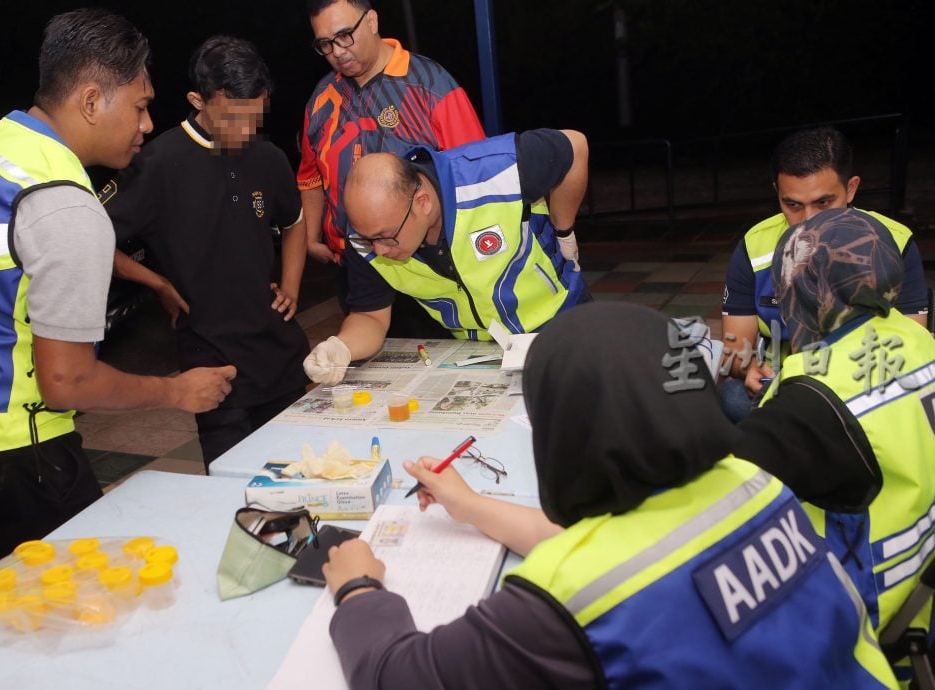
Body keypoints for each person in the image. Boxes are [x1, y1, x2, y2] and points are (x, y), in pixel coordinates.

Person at [320, 301, 897, 688]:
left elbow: (397, 675)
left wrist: (359, 589)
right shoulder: (751, 484)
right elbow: (629, 553)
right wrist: (468, 505)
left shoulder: (564, 603)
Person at [0, 8, 235, 563]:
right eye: (140, 105)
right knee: (84, 603)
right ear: (90, 100)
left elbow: (22, 247)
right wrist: (176, 391)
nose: (147, 124)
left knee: (25, 590)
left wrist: (150, 277)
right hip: (11, 451)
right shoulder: (65, 203)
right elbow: (68, 381)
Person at [733, 207, 934, 680]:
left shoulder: (814, 398)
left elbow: (721, 487)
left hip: (868, 620)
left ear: (801, 289)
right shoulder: (915, 337)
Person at [102, 36, 309, 470]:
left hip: (280, 357)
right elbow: (90, 239)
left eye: (255, 117)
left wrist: (290, 284)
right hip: (214, 369)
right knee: (236, 491)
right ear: (199, 99)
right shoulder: (156, 163)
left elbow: (294, 222)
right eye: (234, 118)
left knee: (302, 478)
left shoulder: (267, 157)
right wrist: (155, 282)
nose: (246, 131)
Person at [302, 129, 590, 385]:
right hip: (486, 353)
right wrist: (341, 347)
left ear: (422, 202)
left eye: (386, 235)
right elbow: (370, 316)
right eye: (368, 237)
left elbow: (575, 146)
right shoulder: (365, 237)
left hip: (563, 326)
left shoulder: (494, 170)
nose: (378, 250)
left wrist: (563, 229)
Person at [298, 0, 486, 338]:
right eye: (325, 44)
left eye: (344, 36)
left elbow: (474, 172)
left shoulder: (429, 84)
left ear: (371, 20)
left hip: (426, 266)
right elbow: (310, 175)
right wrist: (312, 237)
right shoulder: (322, 98)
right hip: (355, 267)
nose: (337, 51)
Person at [719, 126, 929, 421]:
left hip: (867, 379)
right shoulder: (755, 247)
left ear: (851, 188)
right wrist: (749, 368)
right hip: (786, 380)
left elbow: (912, 340)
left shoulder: (892, 242)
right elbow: (734, 346)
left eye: (823, 203)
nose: (808, 222)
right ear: (777, 194)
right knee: (733, 398)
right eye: (792, 205)